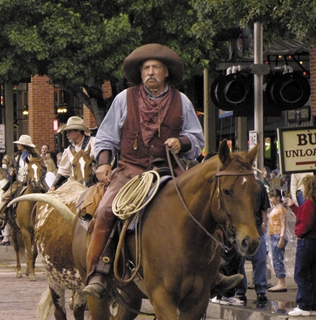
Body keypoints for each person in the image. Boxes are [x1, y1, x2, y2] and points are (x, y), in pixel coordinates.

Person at [82, 43, 240, 299]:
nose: (151, 72)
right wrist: (102, 163)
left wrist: (182, 142)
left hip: (170, 170)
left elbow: (196, 138)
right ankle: (98, 271)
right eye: (146, 68)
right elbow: (106, 137)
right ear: (140, 73)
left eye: (156, 67)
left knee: (205, 205)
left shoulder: (182, 101)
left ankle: (214, 270)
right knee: (105, 211)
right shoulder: (124, 98)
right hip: (130, 172)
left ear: (166, 72)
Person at [0, 134, 47, 229]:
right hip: (18, 182)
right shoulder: (16, 156)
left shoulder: (36, 157)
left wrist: (37, 176)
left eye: (20, 144)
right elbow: (10, 166)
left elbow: (43, 169)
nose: (18, 145)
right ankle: (1, 217)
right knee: (5, 196)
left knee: (48, 195)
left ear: (24, 145)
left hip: (33, 182)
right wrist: (10, 170)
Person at [235, 178, 270, 305]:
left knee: (260, 260)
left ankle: (261, 290)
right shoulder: (235, 184)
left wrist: (264, 223)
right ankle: (240, 290)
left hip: (256, 227)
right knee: (239, 262)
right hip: (240, 229)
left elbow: (263, 207)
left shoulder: (259, 185)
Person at [286, 176, 316, 316]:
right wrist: (293, 206)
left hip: (307, 240)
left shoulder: (309, 203)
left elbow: (305, 222)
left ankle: (304, 304)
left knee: (301, 273)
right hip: (313, 240)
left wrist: (298, 232)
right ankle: (312, 304)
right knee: (312, 273)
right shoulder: (312, 203)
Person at [50, 116, 92, 191]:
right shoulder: (68, 150)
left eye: (69, 131)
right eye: (67, 132)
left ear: (78, 131)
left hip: (94, 184)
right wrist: (53, 186)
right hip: (74, 185)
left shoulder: (93, 143)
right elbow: (63, 172)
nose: (67, 134)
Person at [267, 189, 289, 293]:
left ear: (278, 198)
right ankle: (280, 281)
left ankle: (281, 282)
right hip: (274, 235)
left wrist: (281, 238)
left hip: (277, 235)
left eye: (272, 197)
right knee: (276, 259)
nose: (270, 199)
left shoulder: (281, 210)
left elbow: (283, 225)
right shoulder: (276, 209)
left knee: (278, 259)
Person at [0, 167, 11, 245]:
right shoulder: (0, 182)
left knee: (3, 220)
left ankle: (6, 237)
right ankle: (4, 236)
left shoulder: (4, 182)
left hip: (2, 204)